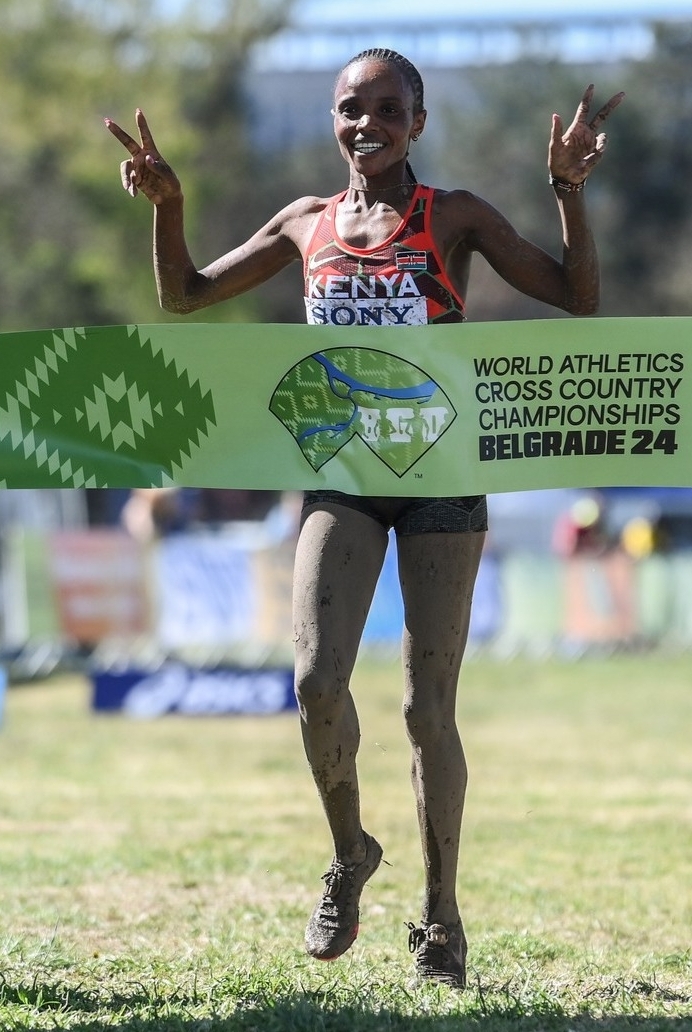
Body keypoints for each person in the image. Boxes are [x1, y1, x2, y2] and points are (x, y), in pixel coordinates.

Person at [106, 49, 623, 988]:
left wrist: (568, 192)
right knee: (315, 683)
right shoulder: (303, 222)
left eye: (388, 109)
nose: (367, 123)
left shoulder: (454, 216)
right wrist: (168, 207)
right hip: (340, 478)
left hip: (442, 479)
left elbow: (577, 298)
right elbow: (184, 296)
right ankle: (350, 852)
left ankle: (441, 921)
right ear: (334, 120)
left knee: (428, 710)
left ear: (417, 123)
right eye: (352, 107)